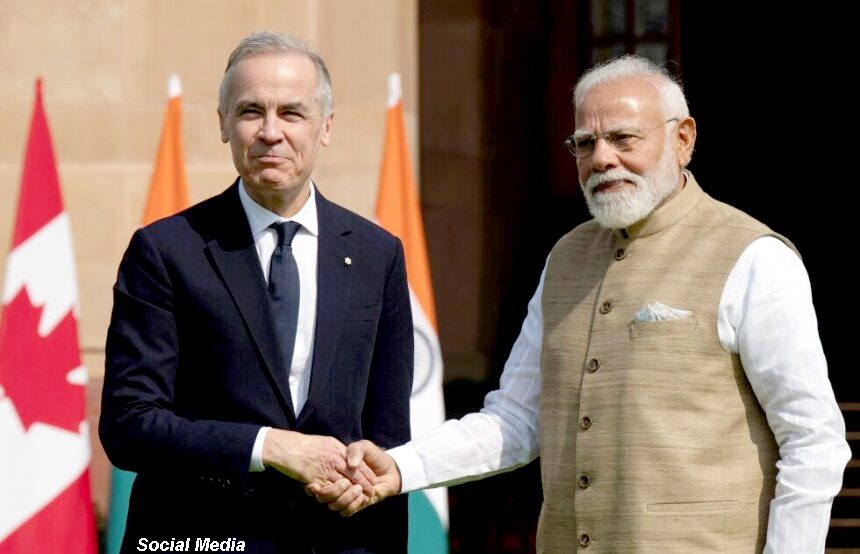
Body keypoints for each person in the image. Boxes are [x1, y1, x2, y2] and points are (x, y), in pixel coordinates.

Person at [315, 55, 851, 553]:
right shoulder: (565, 258)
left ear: (683, 138)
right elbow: (516, 419)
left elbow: (812, 441)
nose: (602, 159)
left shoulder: (753, 256)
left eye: (623, 138)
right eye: (585, 143)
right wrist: (400, 468)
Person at [99, 31, 413, 553]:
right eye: (251, 111)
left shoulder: (378, 255)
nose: (271, 132)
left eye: (292, 113)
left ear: (326, 126)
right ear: (223, 123)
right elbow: (130, 425)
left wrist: (363, 484)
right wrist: (268, 447)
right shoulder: (165, 251)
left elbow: (390, 436)